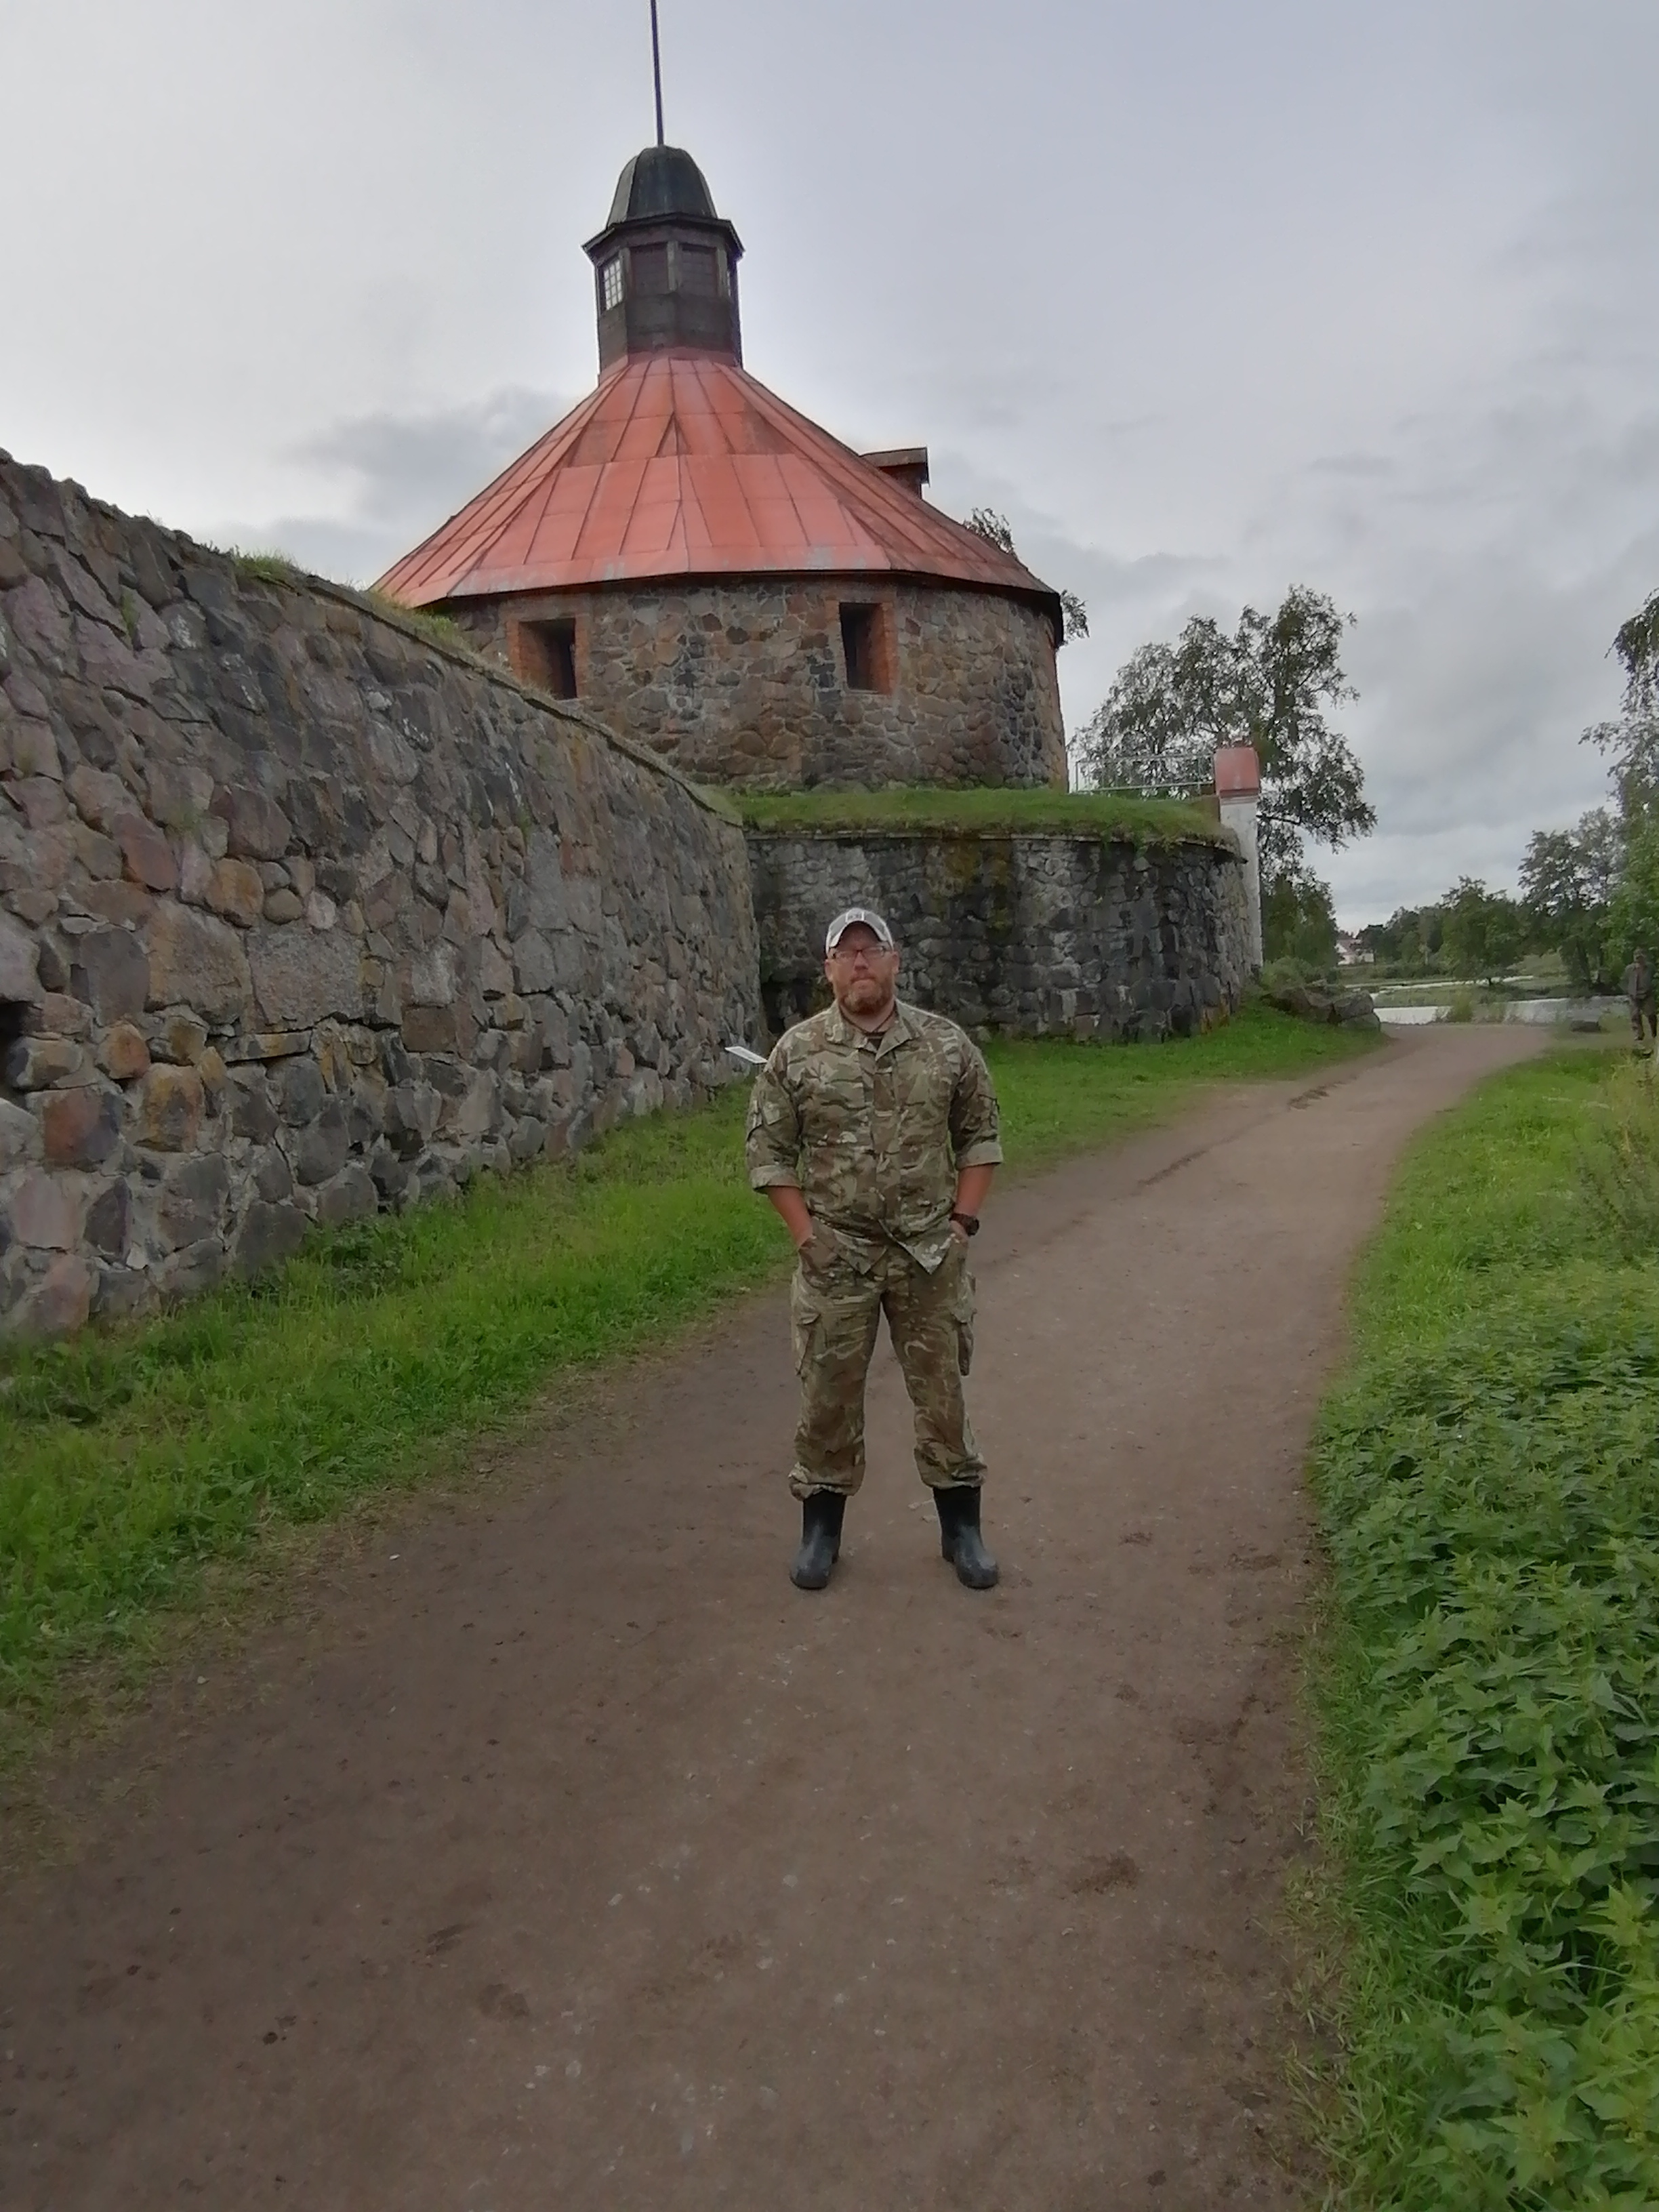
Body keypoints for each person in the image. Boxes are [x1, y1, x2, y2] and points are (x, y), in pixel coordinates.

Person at [744, 907, 1003, 1592]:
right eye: (847, 952)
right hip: (838, 1258)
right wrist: (807, 1237)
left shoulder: (946, 1047)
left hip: (928, 1255)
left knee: (943, 1397)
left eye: (872, 949)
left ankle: (962, 1530)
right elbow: (769, 1153)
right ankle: (821, 1533)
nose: (860, 961)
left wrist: (962, 1224)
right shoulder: (797, 1053)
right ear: (829, 969)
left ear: (895, 961)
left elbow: (980, 1136)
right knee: (827, 1398)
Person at [1624, 947, 1657, 1047]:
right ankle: (1639, 1035)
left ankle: (1654, 1033)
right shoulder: (1629, 969)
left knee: (1651, 1015)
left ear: (1644, 957)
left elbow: (1655, 978)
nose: (1638, 959)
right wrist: (1628, 992)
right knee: (1635, 1016)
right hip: (1634, 995)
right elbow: (1625, 981)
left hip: (1647, 995)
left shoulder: (1650, 967)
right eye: (1636, 957)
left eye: (1640, 957)